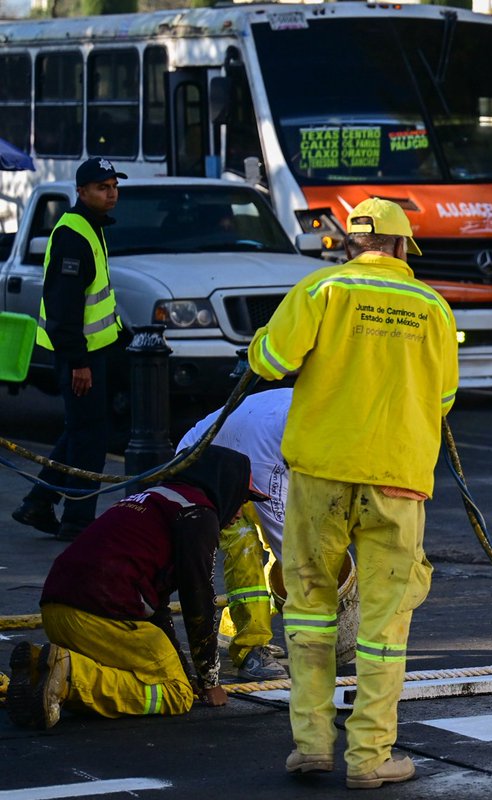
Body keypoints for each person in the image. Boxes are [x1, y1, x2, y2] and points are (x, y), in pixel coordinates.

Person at [247, 197, 458, 788]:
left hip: (321, 473)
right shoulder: (432, 307)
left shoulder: (321, 291)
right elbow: (443, 400)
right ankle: (369, 759)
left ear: (349, 242)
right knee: (385, 624)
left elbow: (269, 361)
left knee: (309, 608)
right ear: (398, 246)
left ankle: (311, 744)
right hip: (398, 479)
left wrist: (265, 338)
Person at [6, 445, 265, 730]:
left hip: (58, 612)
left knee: (144, 675)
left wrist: (188, 670)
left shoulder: (154, 499)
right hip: (101, 615)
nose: (240, 512)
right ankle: (69, 675)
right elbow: (198, 600)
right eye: (241, 500)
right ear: (223, 486)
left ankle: (36, 671)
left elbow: (157, 605)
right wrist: (208, 682)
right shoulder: (197, 514)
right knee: (175, 692)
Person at [12, 157, 130, 541]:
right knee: (90, 440)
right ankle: (78, 522)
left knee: (79, 433)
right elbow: (64, 308)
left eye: (113, 186)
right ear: (81, 192)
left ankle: (38, 502)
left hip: (92, 352)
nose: (111, 193)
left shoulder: (90, 227)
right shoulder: (74, 234)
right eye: (102, 187)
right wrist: (79, 362)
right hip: (81, 357)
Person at [177, 389, 293, 682]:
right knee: (244, 541)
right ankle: (250, 648)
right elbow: (290, 552)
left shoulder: (314, 414)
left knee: (291, 532)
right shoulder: (274, 443)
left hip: (243, 465)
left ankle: (231, 628)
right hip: (199, 471)